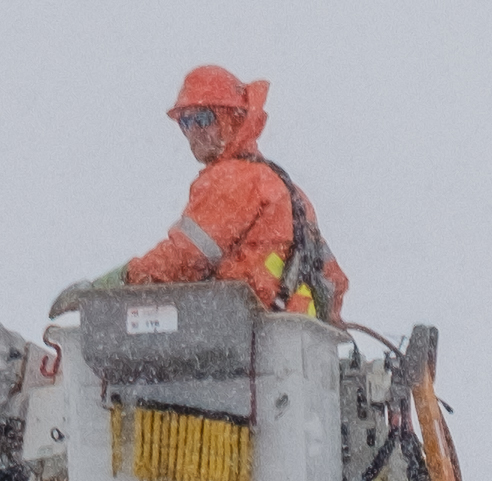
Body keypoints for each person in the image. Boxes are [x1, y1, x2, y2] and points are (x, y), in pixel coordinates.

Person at [118, 64, 348, 317]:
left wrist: (124, 277)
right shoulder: (286, 187)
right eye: (185, 121)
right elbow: (332, 279)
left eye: (203, 119)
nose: (194, 131)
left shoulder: (234, 179)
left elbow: (186, 257)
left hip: (243, 332)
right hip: (289, 336)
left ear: (233, 119)